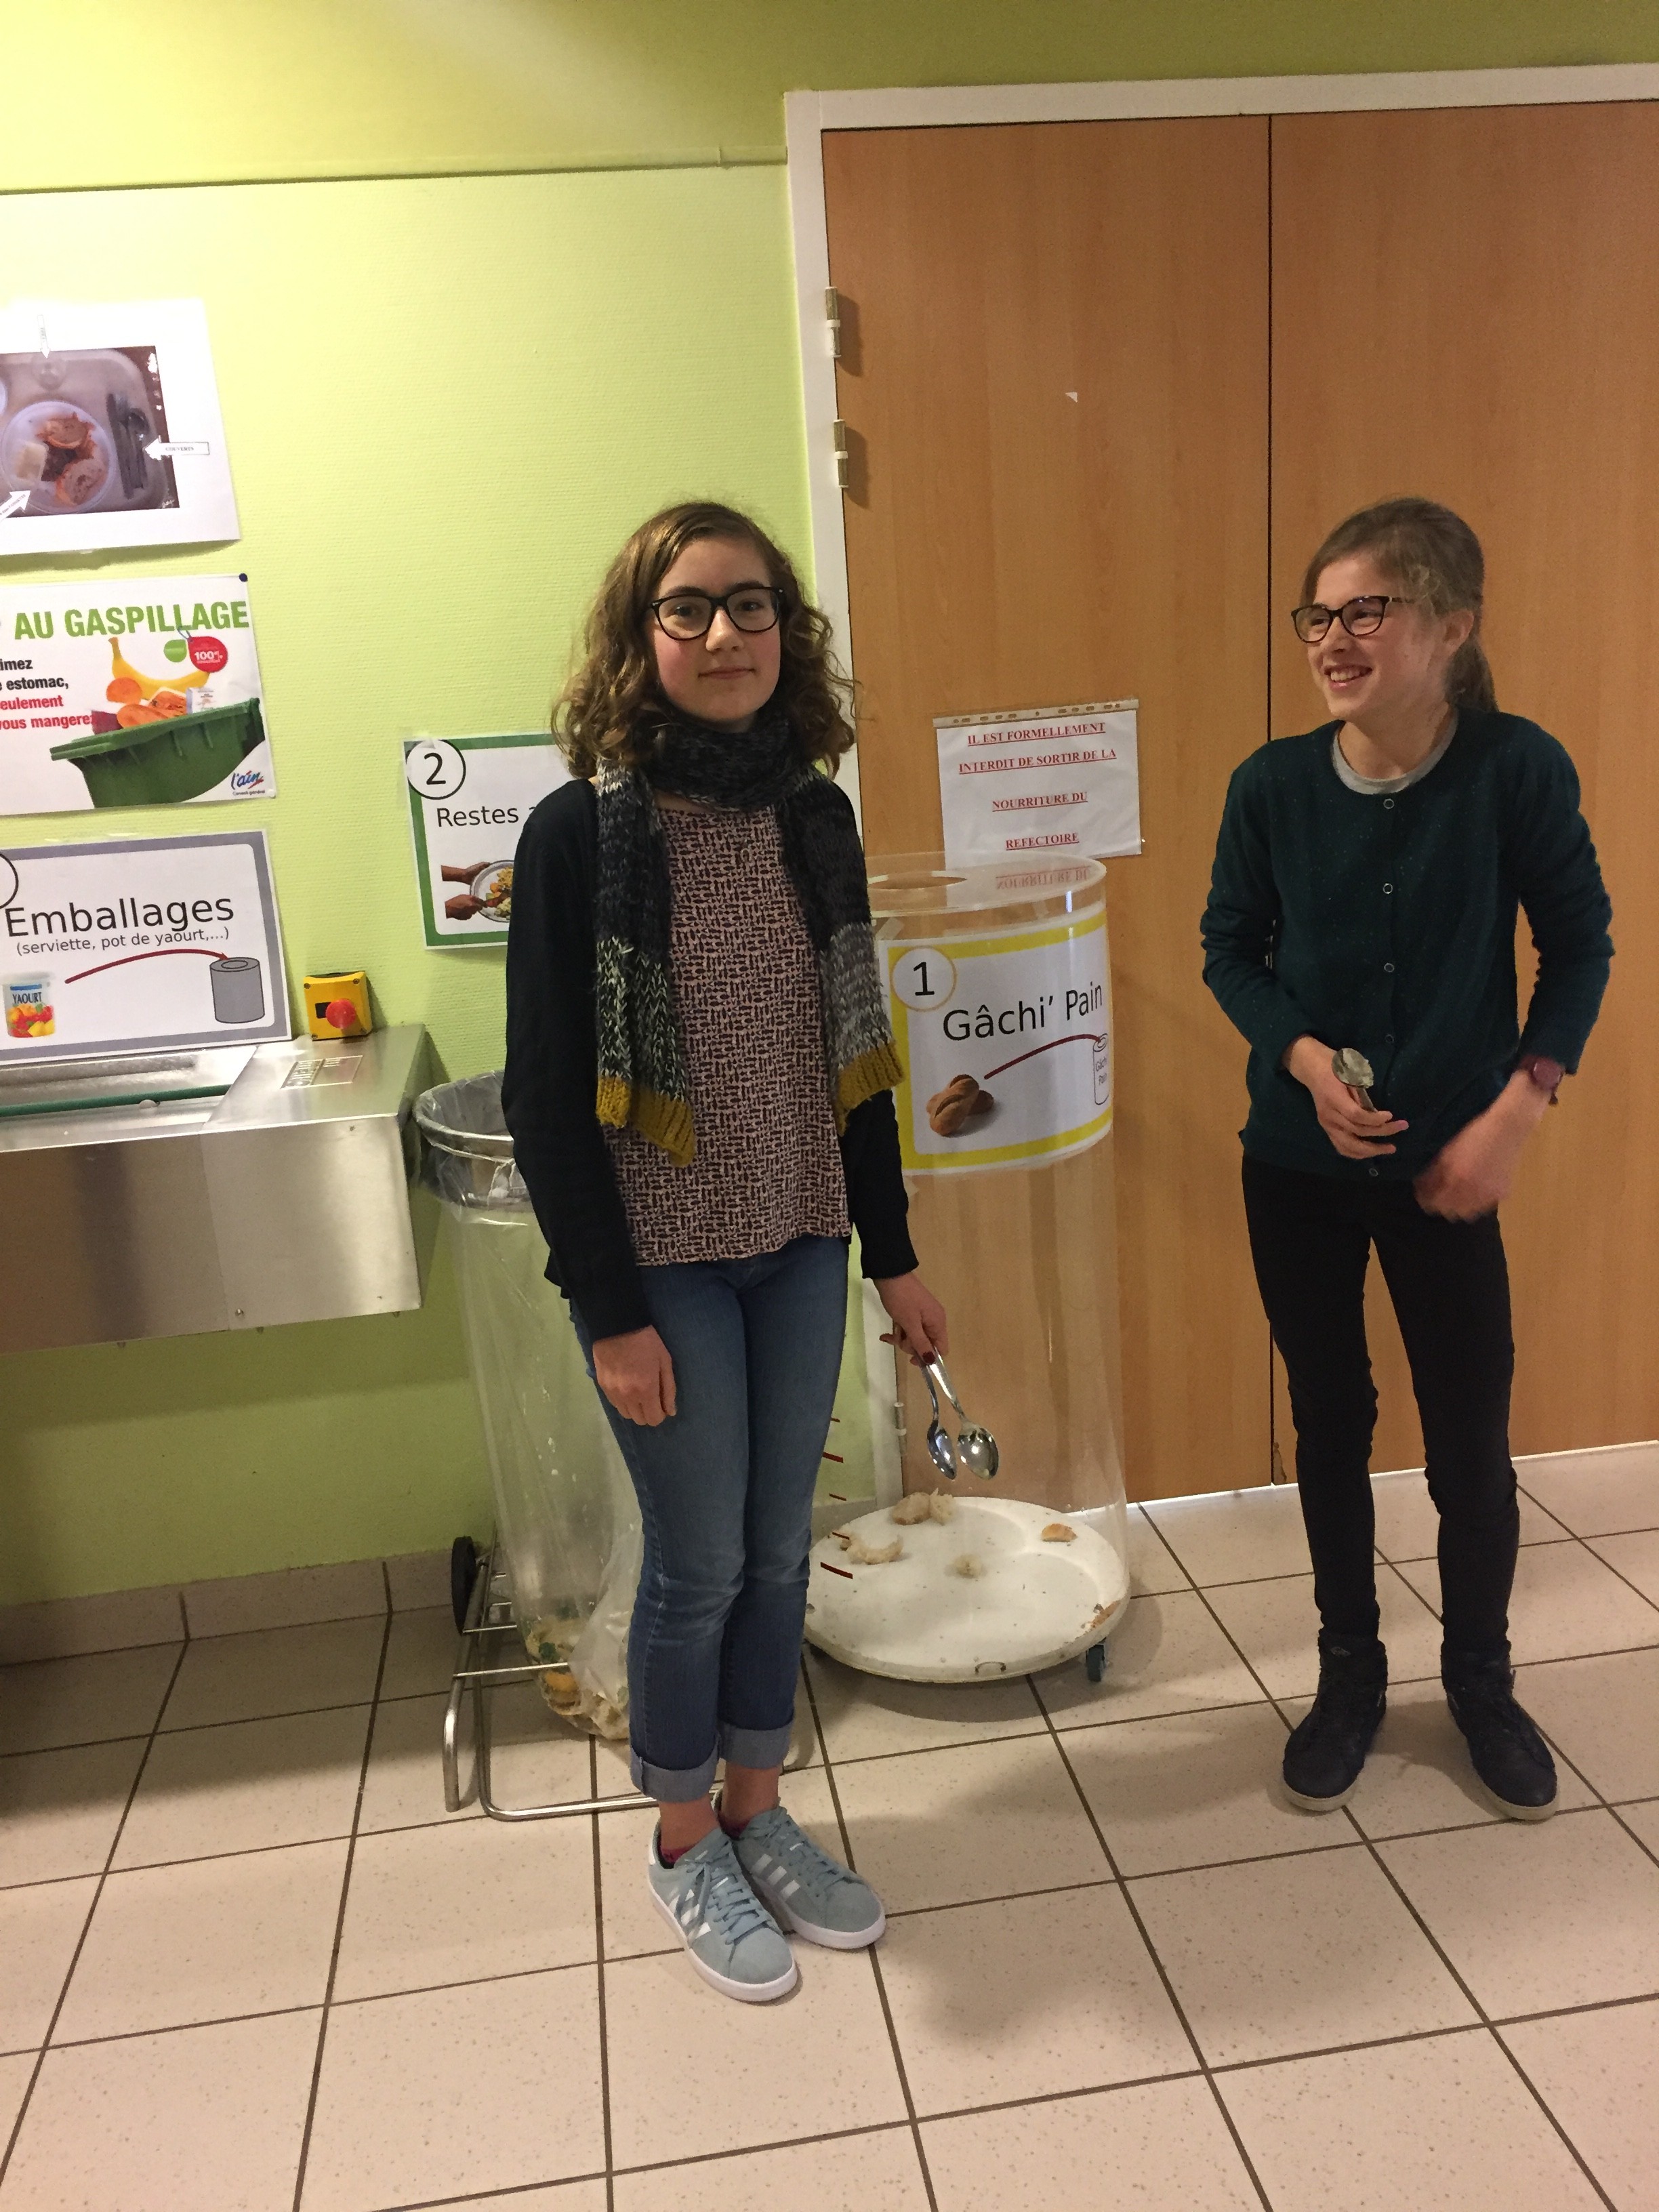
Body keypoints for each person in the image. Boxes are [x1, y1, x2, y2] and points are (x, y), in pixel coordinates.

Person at [502, 500, 946, 2001]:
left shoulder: (814, 818)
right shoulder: (582, 835)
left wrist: (893, 1255)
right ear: (641, 640)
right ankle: (684, 1843)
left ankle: (759, 1811)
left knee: (775, 1555)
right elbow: (546, 1096)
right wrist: (608, 1312)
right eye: (686, 608)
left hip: (801, 1242)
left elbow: (858, 1062)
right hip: (665, 1268)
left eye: (750, 605)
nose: (722, 634)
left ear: (785, 632)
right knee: (696, 1571)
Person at [1201, 496, 1612, 1821]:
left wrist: (1514, 1113)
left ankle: (1481, 1682)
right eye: (1318, 615)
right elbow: (1230, 950)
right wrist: (1304, 1063)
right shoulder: (1271, 786)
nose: (1332, 638)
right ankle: (1349, 1677)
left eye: (1365, 610)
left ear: (1452, 625)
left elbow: (1581, 947)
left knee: (1468, 1440)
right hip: (1296, 1168)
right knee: (1331, 1424)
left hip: (1449, 1175)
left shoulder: (1514, 770)